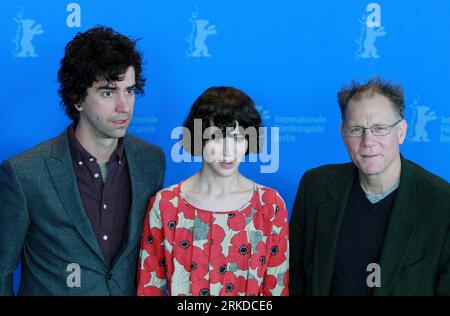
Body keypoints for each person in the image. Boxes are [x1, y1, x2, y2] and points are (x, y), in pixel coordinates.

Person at [0, 26, 165, 295]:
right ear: (78, 99)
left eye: (130, 90)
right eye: (109, 92)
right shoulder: (24, 173)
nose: (125, 106)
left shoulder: (151, 161)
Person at [290, 77, 450, 296]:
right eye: (357, 129)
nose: (368, 141)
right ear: (343, 134)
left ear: (401, 132)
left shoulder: (441, 202)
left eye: (380, 128)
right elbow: (296, 277)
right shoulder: (315, 187)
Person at [137, 87, 289, 296]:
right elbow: (149, 287)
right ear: (198, 139)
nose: (228, 151)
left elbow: (276, 288)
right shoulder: (166, 204)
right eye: (216, 137)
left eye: (237, 137)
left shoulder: (270, 205)